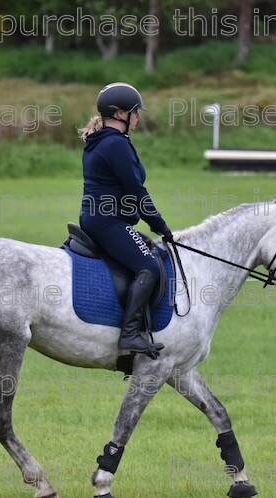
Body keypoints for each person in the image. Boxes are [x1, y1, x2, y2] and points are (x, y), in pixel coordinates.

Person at [77, 82, 173, 358]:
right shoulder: (115, 144)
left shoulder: (103, 141)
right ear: (120, 114)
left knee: (149, 255)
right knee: (150, 266)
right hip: (108, 222)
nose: (138, 117)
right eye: (135, 112)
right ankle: (130, 334)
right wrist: (160, 225)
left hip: (101, 219)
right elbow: (136, 190)